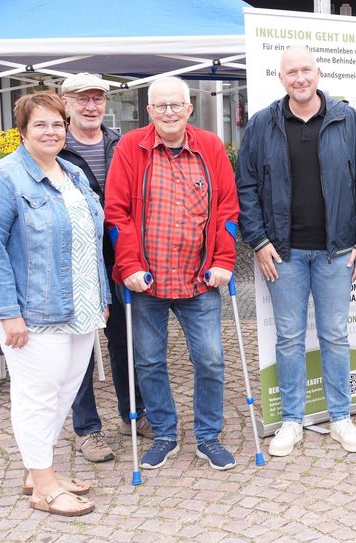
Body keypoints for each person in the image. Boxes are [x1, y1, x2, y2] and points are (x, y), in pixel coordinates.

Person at [236, 46, 356, 457]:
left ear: (318, 72)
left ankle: (341, 418)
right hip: (284, 254)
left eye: (306, 70)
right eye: (291, 72)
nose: (299, 78)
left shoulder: (346, 119)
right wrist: (258, 241)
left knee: (335, 335)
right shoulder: (263, 124)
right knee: (290, 338)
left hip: (336, 252)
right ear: (281, 78)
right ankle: (292, 421)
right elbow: (245, 187)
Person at [105, 76, 239, 471]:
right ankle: (164, 433)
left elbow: (228, 211)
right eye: (160, 106)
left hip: (199, 280)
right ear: (149, 111)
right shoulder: (132, 147)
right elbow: (117, 214)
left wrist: (224, 261)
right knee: (148, 362)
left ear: (189, 108)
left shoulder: (211, 147)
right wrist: (128, 266)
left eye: (175, 105)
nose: (168, 113)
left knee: (211, 360)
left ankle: (208, 436)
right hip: (147, 281)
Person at [0, 92, 109, 516]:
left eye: (57, 123)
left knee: (65, 390)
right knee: (38, 394)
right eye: (40, 124)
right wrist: (7, 313)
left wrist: (101, 298)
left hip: (81, 307)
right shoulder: (2, 178)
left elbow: (90, 241)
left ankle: (37, 469)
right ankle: (43, 486)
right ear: (22, 132)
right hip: (31, 311)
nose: (51, 131)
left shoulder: (72, 173)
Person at [58, 72, 153, 464]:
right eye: (82, 99)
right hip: (73, 258)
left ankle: (133, 413)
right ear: (66, 104)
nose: (91, 105)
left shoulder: (121, 143)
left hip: (119, 255)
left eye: (97, 98)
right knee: (80, 347)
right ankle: (87, 429)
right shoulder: (55, 146)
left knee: (125, 340)